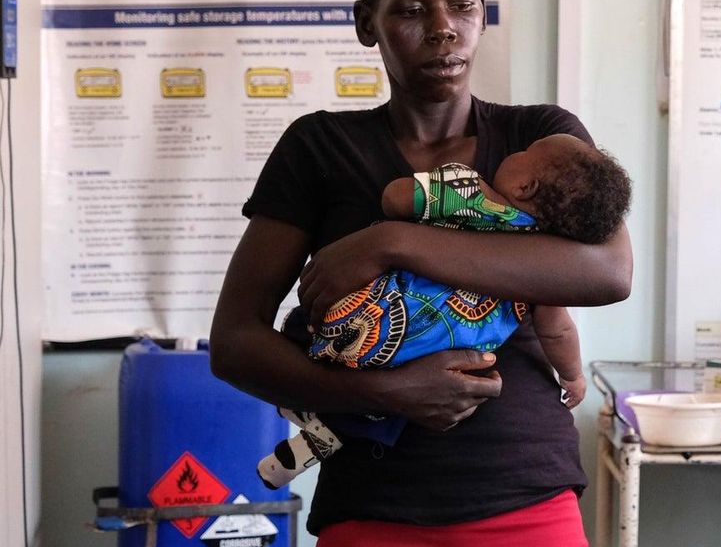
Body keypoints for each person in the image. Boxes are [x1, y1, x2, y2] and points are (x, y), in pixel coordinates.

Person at [210, 0, 632, 547]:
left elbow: (608, 271)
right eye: (411, 10)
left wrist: (392, 242)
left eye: (461, 5)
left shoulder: (541, 141)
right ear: (366, 22)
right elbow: (234, 341)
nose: (443, 29)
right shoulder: (319, 148)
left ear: (481, 10)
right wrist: (384, 391)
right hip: (373, 509)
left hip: (525, 500)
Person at [256, 137, 632, 490]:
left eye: (525, 153)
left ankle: (303, 402)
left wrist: (440, 180)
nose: (514, 152)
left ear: (525, 187)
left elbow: (394, 198)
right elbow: (558, 330)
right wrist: (572, 376)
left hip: (365, 321)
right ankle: (303, 448)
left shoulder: (471, 194)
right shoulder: (544, 267)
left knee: (307, 326)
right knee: (381, 414)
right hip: (424, 366)